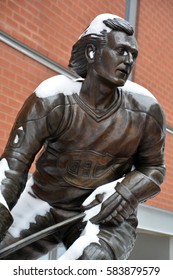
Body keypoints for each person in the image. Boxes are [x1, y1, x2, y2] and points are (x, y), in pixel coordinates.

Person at [0, 13, 166, 260]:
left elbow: (154, 168)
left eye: (133, 54)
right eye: (121, 51)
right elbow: (14, 166)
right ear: (91, 52)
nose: (128, 60)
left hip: (104, 212)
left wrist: (126, 192)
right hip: (43, 203)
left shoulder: (146, 111)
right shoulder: (52, 99)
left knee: (91, 263)